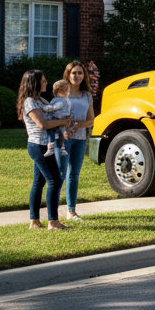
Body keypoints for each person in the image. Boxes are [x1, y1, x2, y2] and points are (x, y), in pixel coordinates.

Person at [16, 70, 73, 231]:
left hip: (44, 145)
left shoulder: (40, 100)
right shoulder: (29, 102)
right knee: (55, 180)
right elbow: (42, 124)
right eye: (42, 80)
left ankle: (34, 222)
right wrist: (63, 121)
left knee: (39, 183)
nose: (46, 82)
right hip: (38, 146)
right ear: (34, 83)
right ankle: (53, 222)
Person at [59, 60, 97, 221]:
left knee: (73, 174)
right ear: (67, 75)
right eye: (74, 73)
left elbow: (91, 121)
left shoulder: (87, 95)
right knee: (59, 174)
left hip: (80, 139)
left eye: (80, 73)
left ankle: (71, 212)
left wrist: (77, 124)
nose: (77, 76)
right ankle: (52, 212)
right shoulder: (61, 94)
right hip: (63, 139)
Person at [40, 79, 73, 158]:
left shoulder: (60, 100)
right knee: (61, 134)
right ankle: (62, 148)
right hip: (64, 119)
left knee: (51, 131)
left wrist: (43, 107)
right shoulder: (67, 100)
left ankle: (50, 147)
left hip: (57, 118)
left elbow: (53, 108)